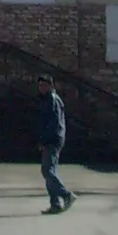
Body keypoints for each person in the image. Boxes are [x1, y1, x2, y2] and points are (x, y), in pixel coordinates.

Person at [36, 73, 73, 213]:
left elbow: (53, 123)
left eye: (44, 85)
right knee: (49, 170)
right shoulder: (46, 100)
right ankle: (55, 203)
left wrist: (45, 140)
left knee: (47, 170)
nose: (41, 88)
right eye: (40, 85)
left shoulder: (52, 100)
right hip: (50, 138)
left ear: (51, 86)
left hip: (53, 139)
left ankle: (66, 195)